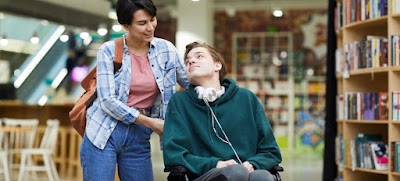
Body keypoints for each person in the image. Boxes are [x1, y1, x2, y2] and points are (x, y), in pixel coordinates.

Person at [79, 0, 189, 180]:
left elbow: (188, 83)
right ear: (125, 25)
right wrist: (151, 123)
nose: (150, 28)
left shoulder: (166, 50)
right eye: (141, 23)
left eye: (152, 20)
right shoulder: (108, 51)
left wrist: (215, 88)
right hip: (104, 131)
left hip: (139, 135)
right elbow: (107, 101)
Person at [163, 42, 282, 181]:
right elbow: (174, 153)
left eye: (199, 56)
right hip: (203, 175)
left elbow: (271, 151)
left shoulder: (246, 98)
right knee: (236, 172)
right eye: (187, 61)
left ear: (217, 65)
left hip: (246, 171)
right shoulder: (180, 102)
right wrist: (216, 164)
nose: (191, 61)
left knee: (262, 176)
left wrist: (253, 164)